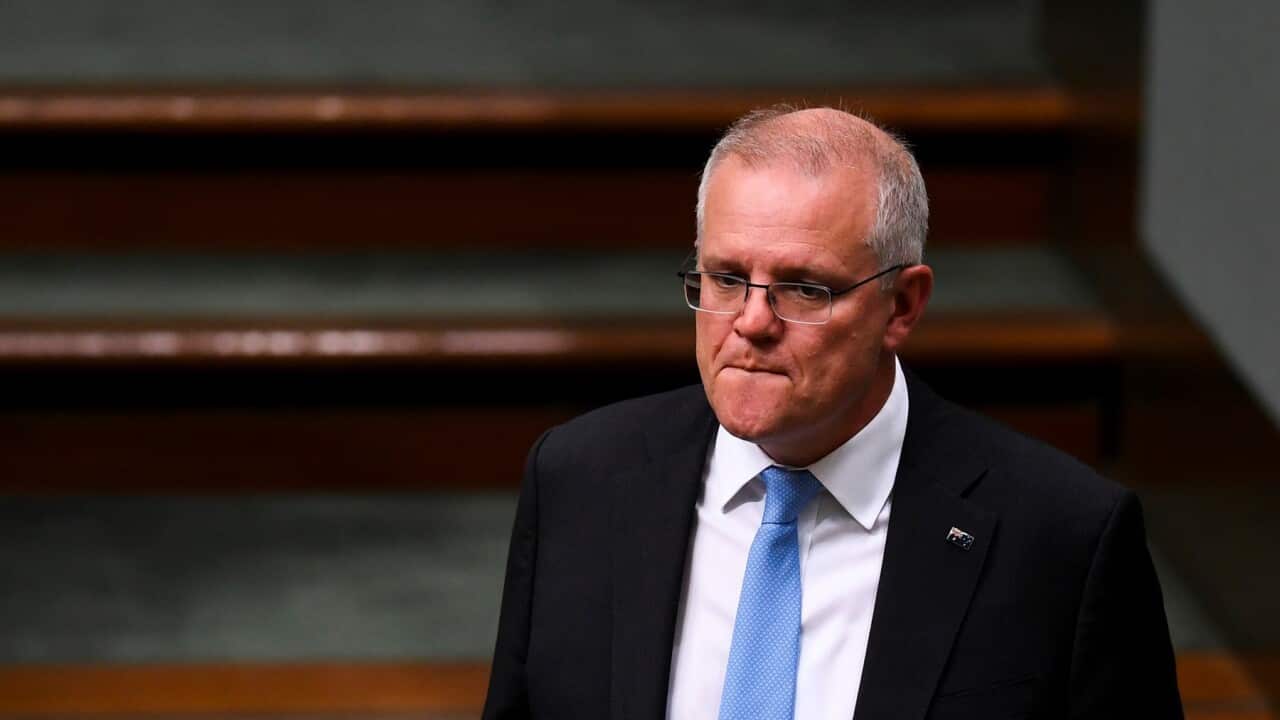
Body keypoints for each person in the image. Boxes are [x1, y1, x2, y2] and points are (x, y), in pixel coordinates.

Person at [482, 106, 1183, 719]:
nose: (751, 322)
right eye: (727, 278)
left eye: (803, 289)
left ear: (902, 306)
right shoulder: (579, 477)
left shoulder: (1063, 538)